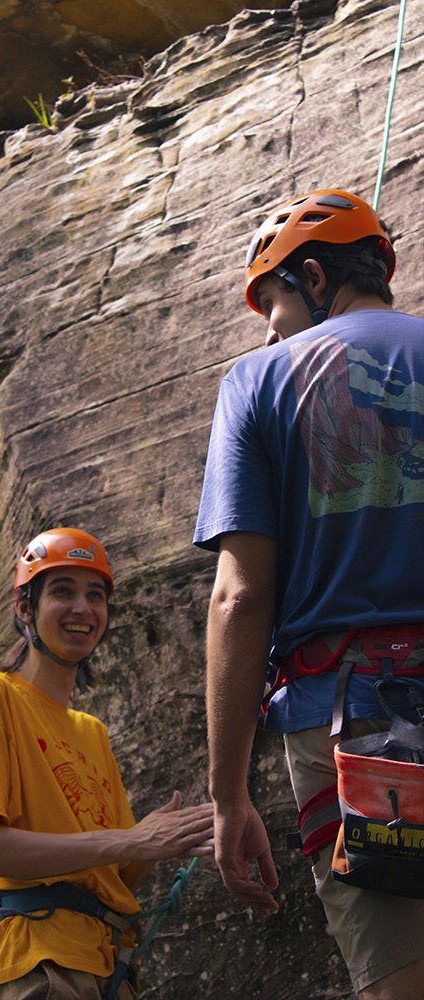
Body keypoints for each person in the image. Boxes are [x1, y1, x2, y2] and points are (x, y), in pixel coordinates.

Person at [193, 188, 424, 999]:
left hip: (351, 723)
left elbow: (240, 598)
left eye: (275, 302)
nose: (269, 328)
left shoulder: (256, 381)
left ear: (317, 277)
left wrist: (228, 798)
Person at [0, 527, 214, 1000]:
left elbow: (114, 874)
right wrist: (131, 838)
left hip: (107, 965)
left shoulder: (92, 733)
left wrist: (155, 843)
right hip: (38, 960)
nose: (83, 608)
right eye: (62, 592)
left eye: (96, 595)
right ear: (25, 608)